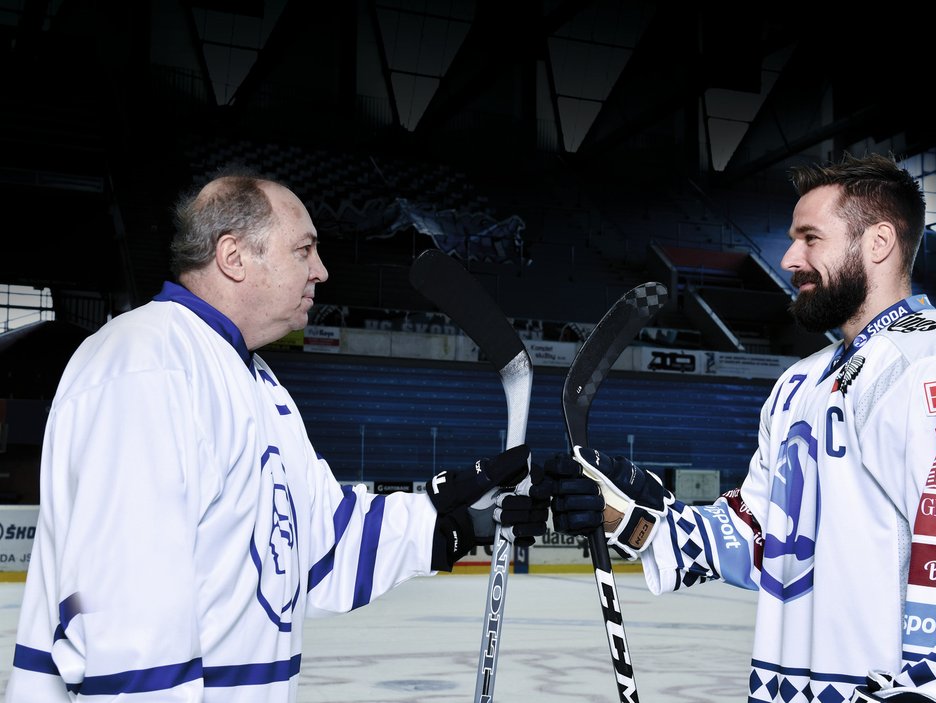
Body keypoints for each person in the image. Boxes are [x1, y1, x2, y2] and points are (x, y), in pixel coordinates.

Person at [6, 171, 550, 702]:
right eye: (304, 250)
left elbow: (324, 549)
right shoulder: (148, 363)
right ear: (234, 256)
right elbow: (126, 614)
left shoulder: (255, 379)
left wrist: (458, 515)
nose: (322, 271)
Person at [545, 153, 936, 703]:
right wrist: (630, 517)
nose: (788, 257)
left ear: (878, 243)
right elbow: (763, 539)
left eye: (810, 238)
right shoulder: (800, 384)